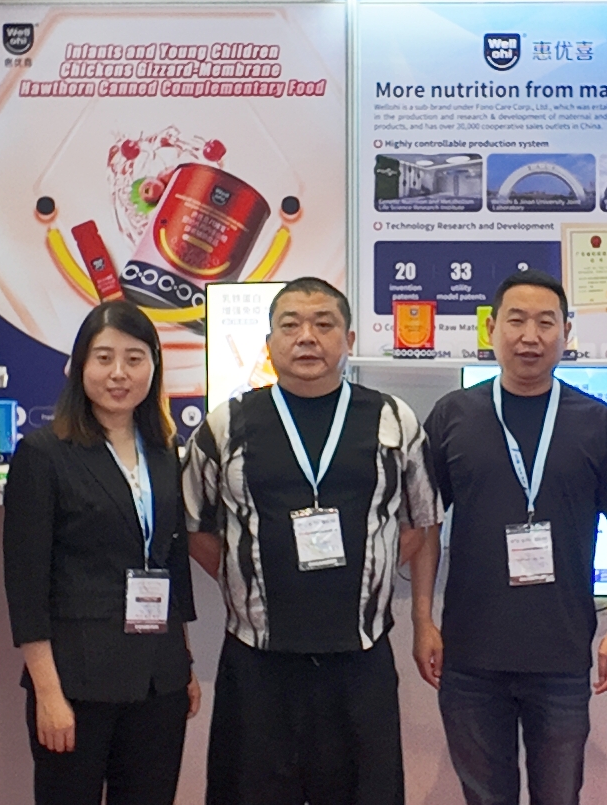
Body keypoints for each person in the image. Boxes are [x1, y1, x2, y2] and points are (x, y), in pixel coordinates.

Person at [184, 276, 442, 805]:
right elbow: (198, 529)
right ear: (269, 342)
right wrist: (251, 574)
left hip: (359, 659)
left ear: (349, 340)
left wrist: (403, 601)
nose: (307, 337)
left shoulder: (393, 419)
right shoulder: (227, 424)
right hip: (257, 661)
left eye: (324, 324)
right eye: (291, 325)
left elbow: (420, 523)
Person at [416, 269, 607, 805]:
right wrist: (422, 620)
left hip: (561, 652)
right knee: (484, 797)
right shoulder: (453, 415)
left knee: (559, 796)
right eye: (516, 321)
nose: (530, 337)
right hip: (470, 654)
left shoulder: (598, 422)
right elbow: (425, 522)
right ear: (491, 329)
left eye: (545, 323)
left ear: (566, 332)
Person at [2, 300, 200, 805]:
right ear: (79, 366)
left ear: (154, 367)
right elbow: (26, 587)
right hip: (77, 683)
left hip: (158, 681)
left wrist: (182, 664)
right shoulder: (44, 454)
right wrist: (48, 694)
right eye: (104, 358)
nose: (119, 374)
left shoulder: (164, 450)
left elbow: (170, 562)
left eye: (134, 359)